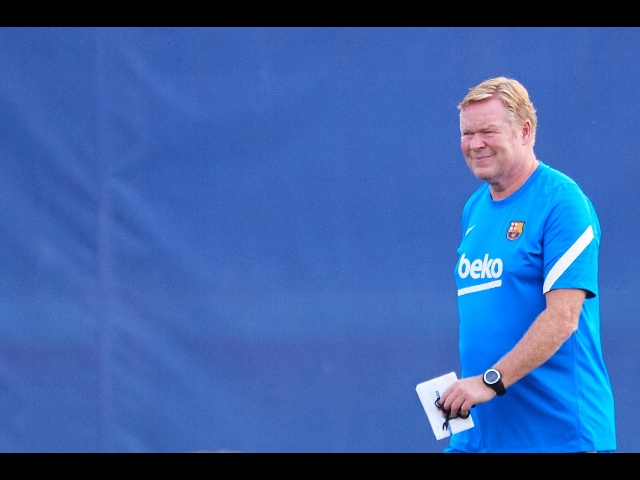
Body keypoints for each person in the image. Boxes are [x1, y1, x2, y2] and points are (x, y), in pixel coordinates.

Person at [437, 77, 616, 453]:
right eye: (467, 134)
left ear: (525, 131)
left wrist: (489, 381)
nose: (475, 144)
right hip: (479, 435)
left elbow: (563, 319)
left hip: (558, 437)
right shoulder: (475, 207)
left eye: (488, 131)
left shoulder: (563, 203)